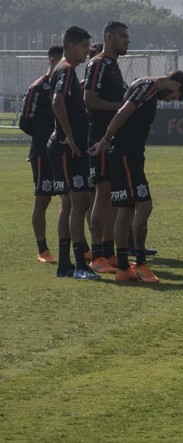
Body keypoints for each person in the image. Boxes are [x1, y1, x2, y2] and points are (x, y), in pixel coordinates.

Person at [88, 71, 183, 282]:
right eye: (174, 96)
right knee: (143, 206)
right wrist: (106, 139)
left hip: (129, 155)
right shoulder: (149, 87)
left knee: (125, 209)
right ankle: (139, 264)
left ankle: (124, 267)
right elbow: (124, 112)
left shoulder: (143, 85)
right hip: (126, 156)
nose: (170, 100)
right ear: (174, 83)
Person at [48, 26, 97, 280]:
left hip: (66, 148)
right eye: (84, 47)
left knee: (68, 204)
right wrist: (68, 135)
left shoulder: (65, 70)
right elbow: (57, 101)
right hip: (68, 149)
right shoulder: (66, 69)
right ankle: (79, 265)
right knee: (80, 203)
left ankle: (65, 265)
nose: (87, 51)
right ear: (70, 46)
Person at [83, 21, 129, 272]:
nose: (127, 40)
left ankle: (109, 253)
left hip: (112, 139)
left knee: (112, 196)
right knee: (101, 196)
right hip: (99, 137)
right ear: (109, 36)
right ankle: (97, 256)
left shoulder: (113, 65)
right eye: (123, 36)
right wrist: (123, 108)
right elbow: (89, 100)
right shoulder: (98, 63)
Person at [19, 45, 64, 264]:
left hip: (64, 152)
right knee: (43, 200)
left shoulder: (69, 86)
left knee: (72, 199)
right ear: (52, 59)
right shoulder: (37, 88)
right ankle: (42, 249)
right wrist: (44, 138)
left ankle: (78, 247)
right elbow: (24, 122)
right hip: (42, 154)